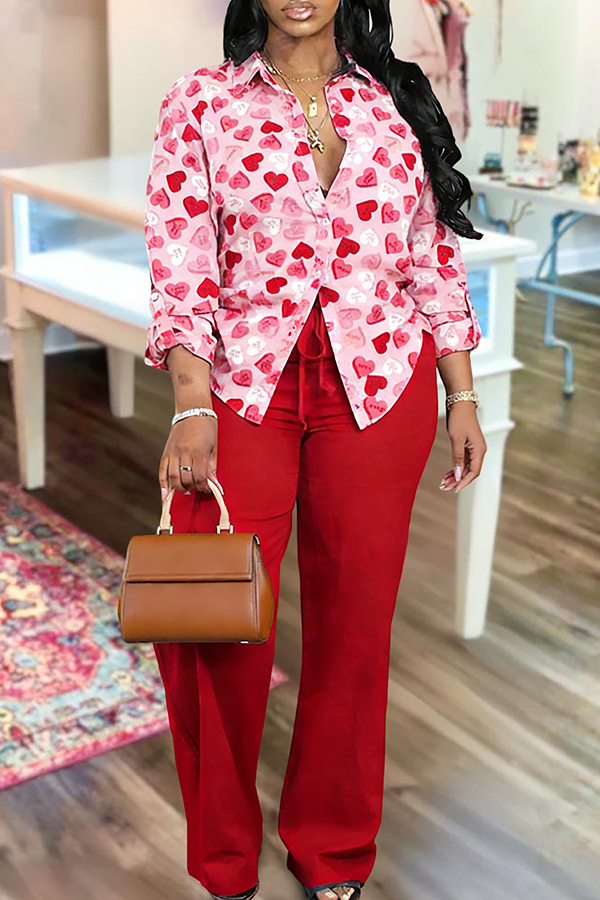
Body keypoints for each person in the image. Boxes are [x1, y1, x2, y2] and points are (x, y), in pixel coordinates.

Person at [143, 1, 487, 898]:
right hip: (243, 387)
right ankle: (225, 858)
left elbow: (429, 255)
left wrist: (461, 393)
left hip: (378, 386)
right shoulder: (202, 101)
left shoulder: (392, 100)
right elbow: (182, 260)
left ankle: (332, 847)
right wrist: (190, 406)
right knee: (214, 627)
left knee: (354, 632)